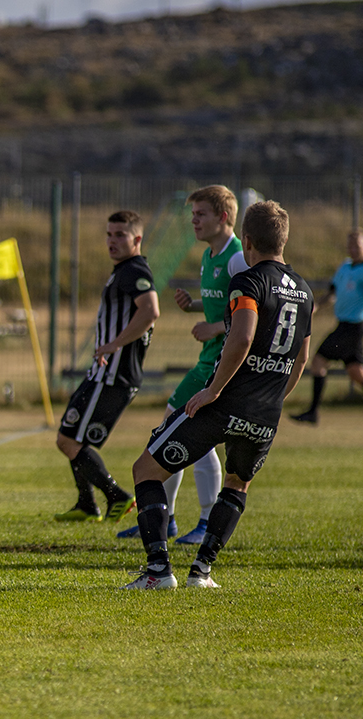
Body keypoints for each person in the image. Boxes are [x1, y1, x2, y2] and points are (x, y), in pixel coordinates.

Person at [124, 200, 312, 590]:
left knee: (146, 470)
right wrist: (275, 400)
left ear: (246, 240)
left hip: (226, 403)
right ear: (285, 239)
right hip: (265, 412)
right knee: (237, 484)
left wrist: (214, 390)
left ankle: (159, 571)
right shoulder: (305, 293)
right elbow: (301, 359)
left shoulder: (248, 282)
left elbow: (242, 337)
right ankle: (202, 571)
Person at [118, 186, 244, 545]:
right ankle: (169, 517)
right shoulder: (209, 256)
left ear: (223, 217)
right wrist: (194, 306)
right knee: (179, 434)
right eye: (192, 215)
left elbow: (255, 308)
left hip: (219, 363)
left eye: (200, 214)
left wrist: (216, 327)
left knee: (182, 434)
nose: (194, 221)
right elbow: (226, 303)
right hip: (208, 358)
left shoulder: (236, 258)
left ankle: (196, 519)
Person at [54, 210, 159, 523]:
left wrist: (115, 344)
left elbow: (150, 310)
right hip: (103, 373)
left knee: (68, 440)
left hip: (114, 375)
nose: (112, 241)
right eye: (109, 234)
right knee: (71, 436)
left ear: (137, 239)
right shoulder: (122, 270)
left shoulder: (133, 270)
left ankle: (117, 496)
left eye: (120, 235)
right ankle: (87, 503)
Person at [291, 229, 363, 425]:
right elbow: (332, 293)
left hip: (354, 327)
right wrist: (316, 307)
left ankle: (313, 412)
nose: (353, 249)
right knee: (358, 375)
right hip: (343, 325)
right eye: (350, 246)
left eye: (357, 245)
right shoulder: (345, 267)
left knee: (319, 362)